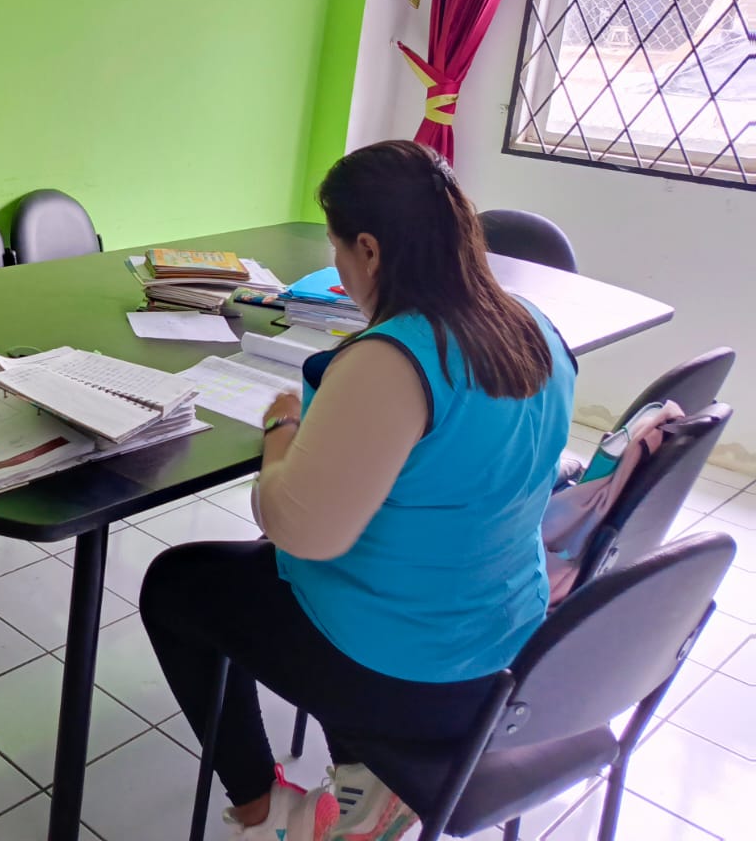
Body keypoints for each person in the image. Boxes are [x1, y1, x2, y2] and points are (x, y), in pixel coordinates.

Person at [139, 140, 577, 841]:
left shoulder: (392, 359)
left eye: (338, 250)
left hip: (413, 675)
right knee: (329, 565)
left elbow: (296, 529)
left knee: (177, 584)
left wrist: (282, 428)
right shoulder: (532, 327)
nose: (340, 272)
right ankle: (365, 777)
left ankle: (263, 811)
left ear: (368, 249)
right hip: (505, 649)